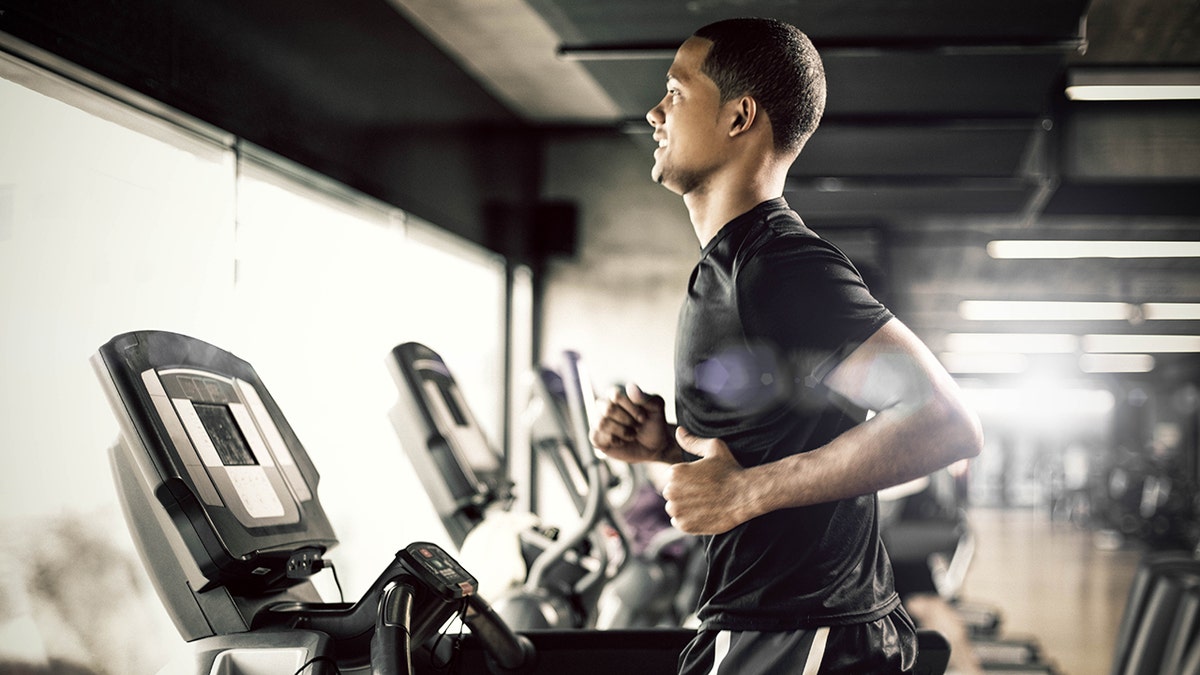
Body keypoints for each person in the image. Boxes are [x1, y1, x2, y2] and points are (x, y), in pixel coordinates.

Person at [588, 17, 983, 674]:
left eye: (676, 92)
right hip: (780, 623)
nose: (656, 112)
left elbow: (944, 422)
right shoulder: (731, 269)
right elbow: (762, 451)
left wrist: (748, 492)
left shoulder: (780, 267)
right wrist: (665, 449)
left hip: (799, 630)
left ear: (740, 116)